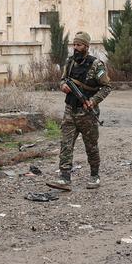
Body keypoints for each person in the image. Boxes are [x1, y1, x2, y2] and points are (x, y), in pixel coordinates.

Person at [47, 32, 111, 190]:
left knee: (91, 146)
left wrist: (93, 101)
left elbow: (107, 86)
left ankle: (95, 176)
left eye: (79, 45)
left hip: (87, 114)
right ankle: (64, 177)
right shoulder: (70, 63)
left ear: (86, 47)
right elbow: (63, 79)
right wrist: (63, 86)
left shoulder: (96, 65)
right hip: (70, 110)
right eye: (74, 45)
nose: (75, 48)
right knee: (66, 144)